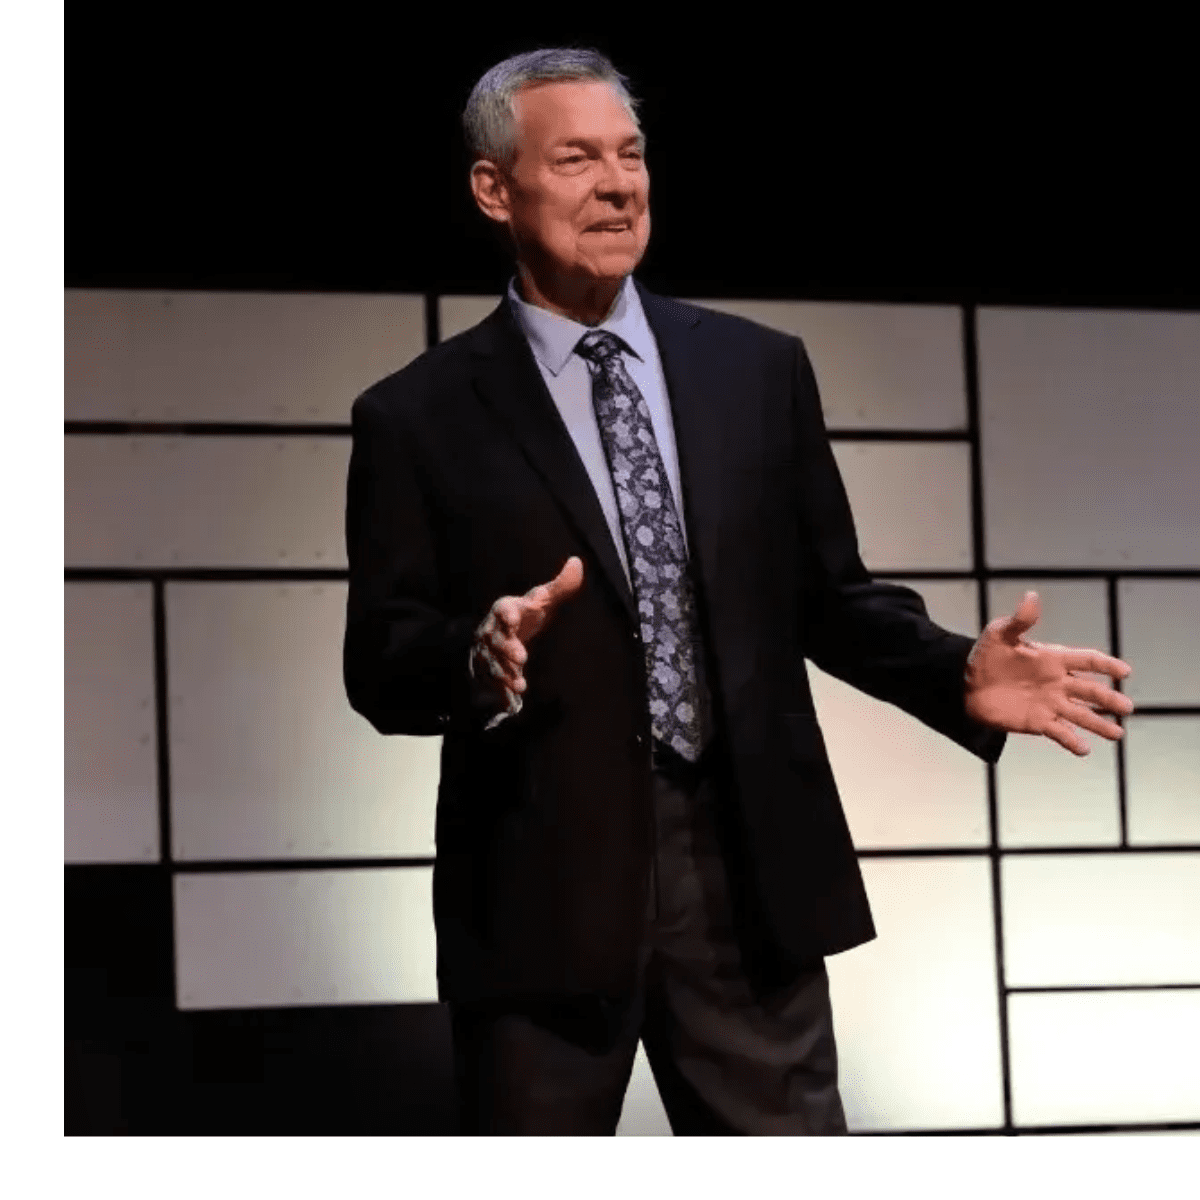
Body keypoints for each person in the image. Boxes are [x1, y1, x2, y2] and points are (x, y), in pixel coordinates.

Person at [342, 48, 1134, 1135]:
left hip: (749, 873)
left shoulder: (755, 370)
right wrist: (475, 660)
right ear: (494, 188)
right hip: (541, 894)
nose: (618, 184)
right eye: (575, 158)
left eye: (631, 154)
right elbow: (381, 660)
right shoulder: (416, 416)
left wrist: (956, 670)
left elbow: (830, 597)